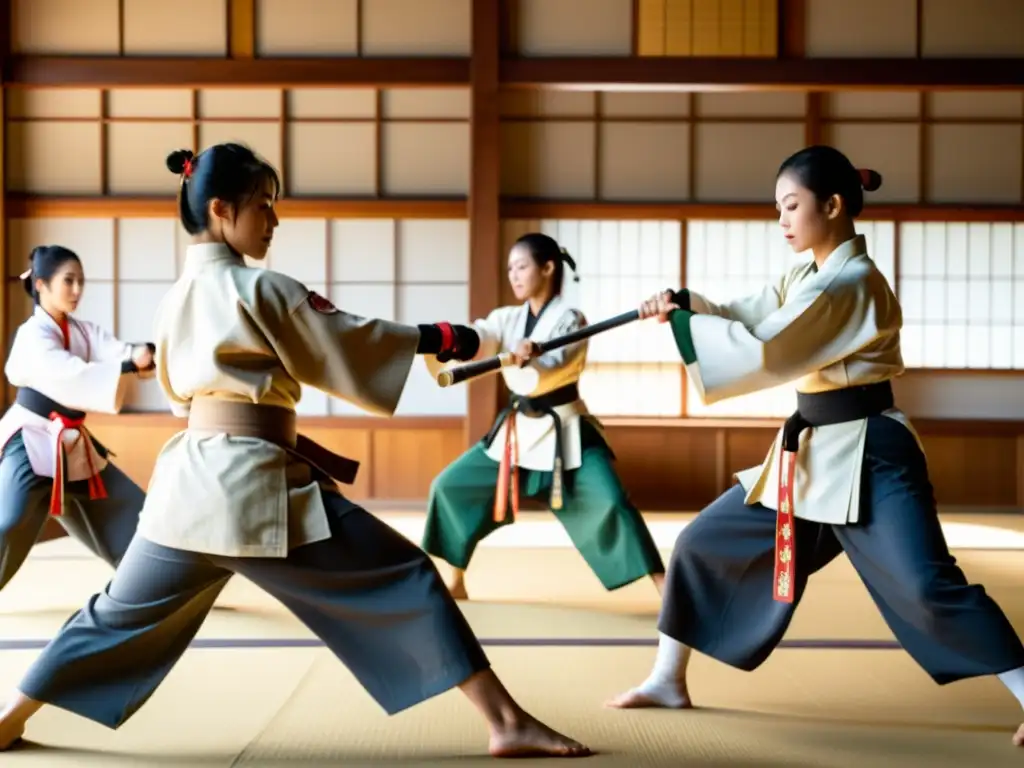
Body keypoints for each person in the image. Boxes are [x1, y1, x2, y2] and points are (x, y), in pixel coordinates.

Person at [0, 143, 591, 759]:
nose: (273, 222)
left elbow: (181, 396)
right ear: (222, 209)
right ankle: (506, 722)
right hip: (253, 490)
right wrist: (440, 337)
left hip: (185, 491)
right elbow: (346, 340)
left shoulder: (173, 298)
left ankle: (8, 716)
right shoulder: (262, 289)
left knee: (111, 616)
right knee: (406, 577)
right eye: (264, 207)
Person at [605, 145, 1024, 748]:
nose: (782, 220)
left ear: (832, 205)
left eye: (791, 206)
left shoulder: (851, 283)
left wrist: (683, 326)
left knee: (927, 586)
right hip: (809, 454)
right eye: (778, 207)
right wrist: (686, 305)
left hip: (870, 452)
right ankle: (667, 678)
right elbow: (744, 315)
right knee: (702, 543)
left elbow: (769, 348)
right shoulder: (807, 273)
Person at [422, 233, 665, 601]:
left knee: (612, 501)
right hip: (516, 432)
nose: (514, 276)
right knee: (450, 487)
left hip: (566, 430)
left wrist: (534, 355)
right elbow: (482, 337)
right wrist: (450, 340)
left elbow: (557, 364)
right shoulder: (507, 318)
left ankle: (667, 591)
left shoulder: (571, 318)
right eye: (509, 269)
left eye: (522, 266)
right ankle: (456, 580)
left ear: (548, 268)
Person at [0, 245, 154, 593]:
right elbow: (68, 375)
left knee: (134, 510)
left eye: (80, 281)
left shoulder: (83, 332)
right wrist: (128, 365)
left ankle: (154, 586)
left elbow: (115, 350)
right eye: (68, 281)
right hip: (31, 440)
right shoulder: (32, 334)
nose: (77, 290)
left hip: (70, 444)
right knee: (8, 522)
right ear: (41, 285)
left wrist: (140, 353)